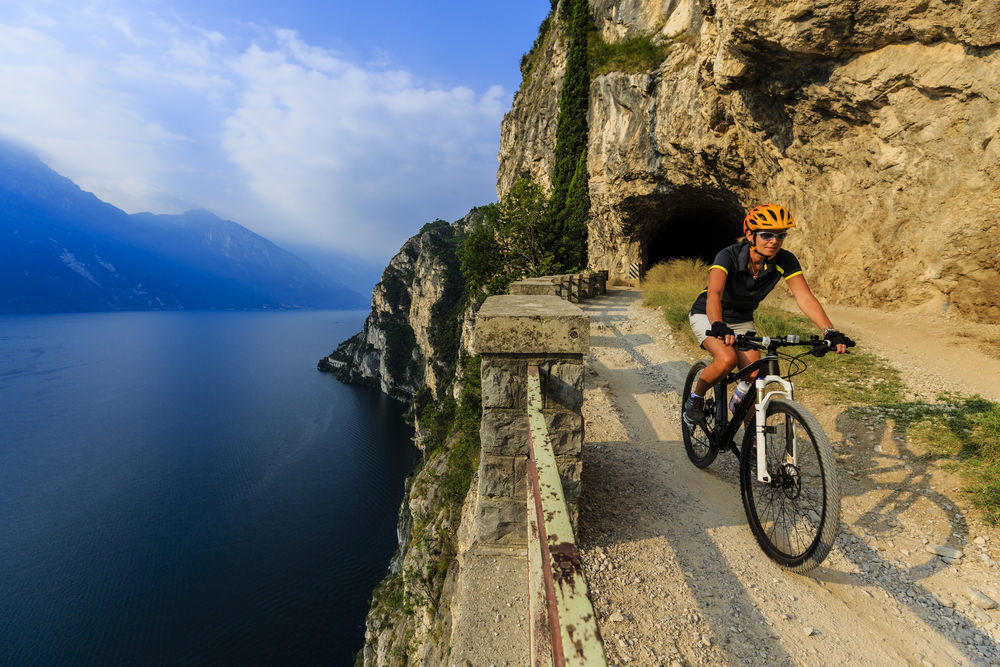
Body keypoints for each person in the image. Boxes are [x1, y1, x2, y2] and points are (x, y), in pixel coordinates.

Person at [683, 204, 852, 425]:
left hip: (742, 319)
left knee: (755, 377)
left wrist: (830, 331)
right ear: (750, 235)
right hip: (709, 314)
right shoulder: (728, 255)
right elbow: (714, 292)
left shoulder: (785, 260)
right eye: (766, 235)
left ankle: (752, 448)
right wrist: (717, 324)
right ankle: (695, 398)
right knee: (727, 360)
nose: (774, 241)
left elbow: (804, 297)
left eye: (780, 235)